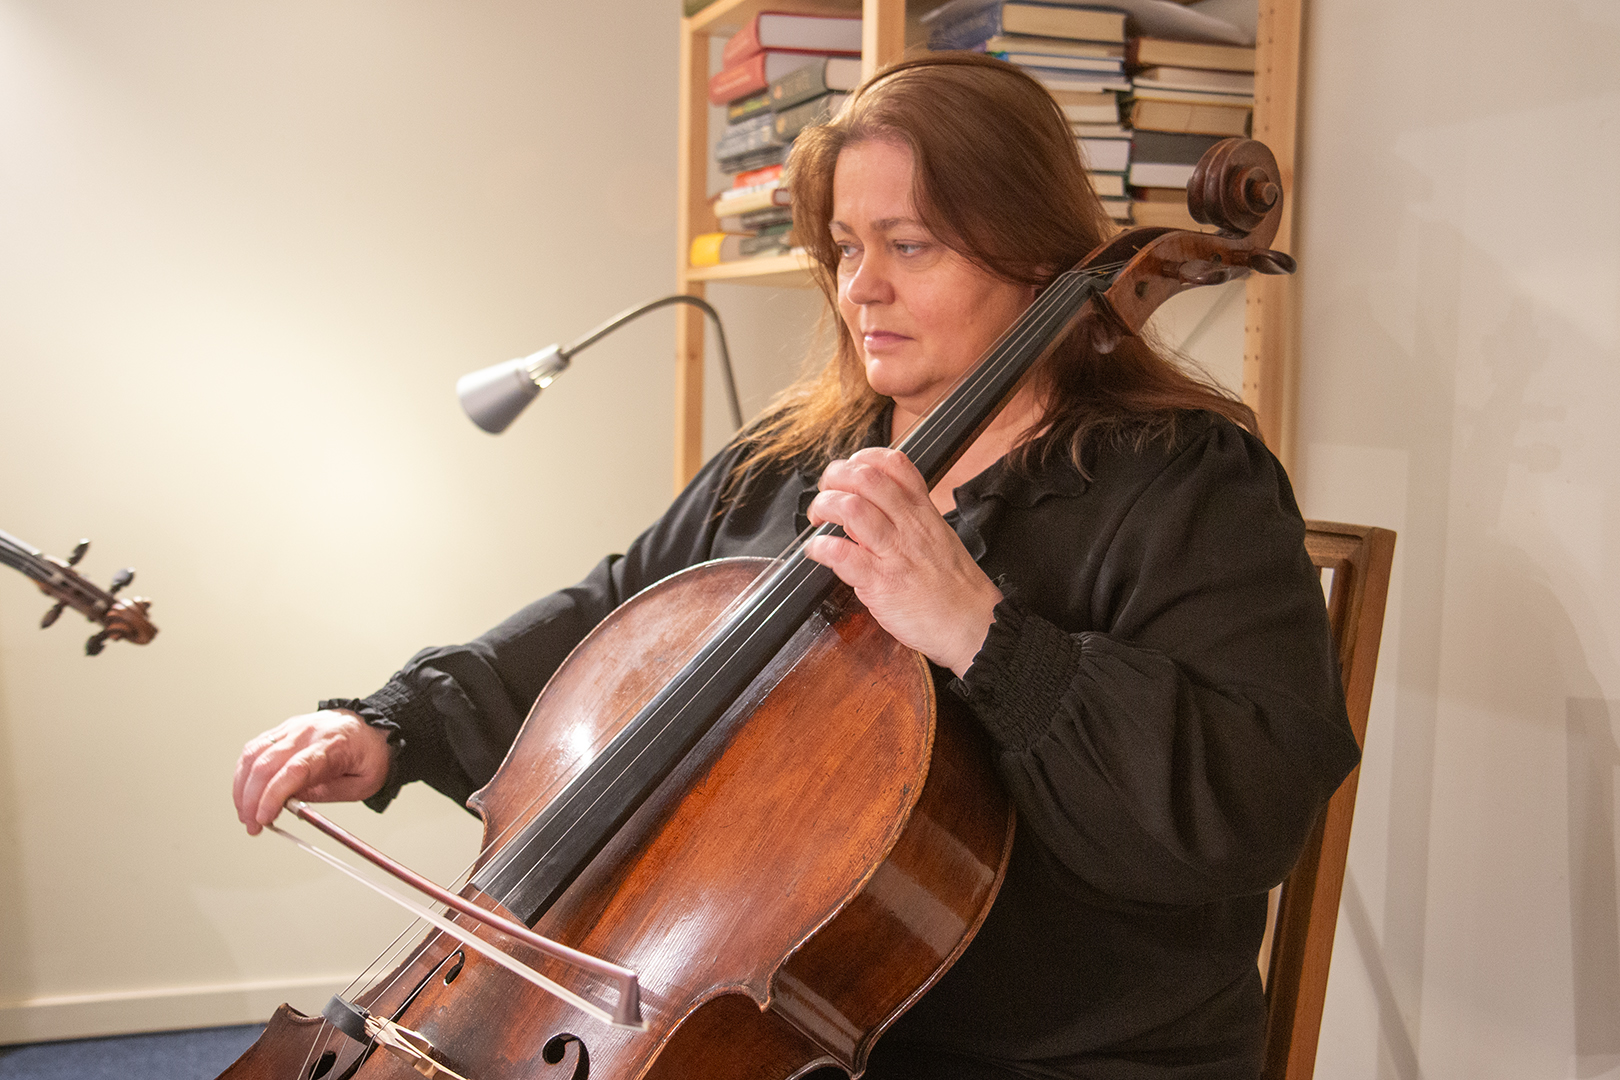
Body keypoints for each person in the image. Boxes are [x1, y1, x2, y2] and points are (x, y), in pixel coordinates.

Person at [234, 53, 1360, 1080]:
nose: (860, 287)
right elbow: (613, 622)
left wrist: (978, 628)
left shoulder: (1186, 482)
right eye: (847, 247)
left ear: (1034, 253)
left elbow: (1249, 803)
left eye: (908, 245)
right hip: (759, 1033)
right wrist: (392, 726)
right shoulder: (792, 460)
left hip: (1055, 1053)